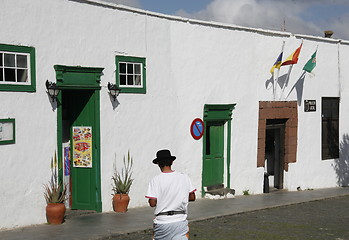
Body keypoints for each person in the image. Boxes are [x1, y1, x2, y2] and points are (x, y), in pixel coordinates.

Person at [146, 149, 196, 240]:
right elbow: (192, 197)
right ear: (172, 162)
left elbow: (152, 203)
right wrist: (179, 197)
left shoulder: (155, 180)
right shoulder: (184, 177)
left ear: (158, 164)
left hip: (162, 222)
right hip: (180, 220)